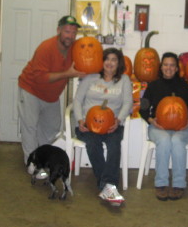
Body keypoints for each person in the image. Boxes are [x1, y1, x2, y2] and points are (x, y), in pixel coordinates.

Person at [18, 15, 86, 170]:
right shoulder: (46, 48)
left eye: (74, 33)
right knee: (30, 127)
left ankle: (42, 158)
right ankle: (32, 162)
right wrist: (68, 74)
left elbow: (87, 61)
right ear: (59, 30)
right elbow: (40, 78)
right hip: (31, 89)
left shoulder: (75, 49)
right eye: (67, 31)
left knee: (52, 128)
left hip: (51, 95)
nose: (70, 36)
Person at [73, 48, 132, 206]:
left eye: (114, 59)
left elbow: (128, 103)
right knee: (93, 144)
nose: (110, 63)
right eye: (107, 59)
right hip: (87, 124)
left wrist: (118, 120)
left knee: (114, 145)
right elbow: (77, 101)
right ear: (101, 61)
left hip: (113, 124)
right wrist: (80, 120)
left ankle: (107, 185)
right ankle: (108, 186)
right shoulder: (90, 78)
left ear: (119, 63)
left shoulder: (124, 80)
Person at [140, 52, 188, 201]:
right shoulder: (153, 85)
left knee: (177, 141)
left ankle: (179, 184)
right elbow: (143, 108)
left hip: (182, 128)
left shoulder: (184, 86)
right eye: (166, 64)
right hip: (158, 127)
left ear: (177, 68)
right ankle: (161, 183)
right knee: (165, 140)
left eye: (172, 65)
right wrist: (152, 121)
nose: (169, 68)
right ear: (161, 66)